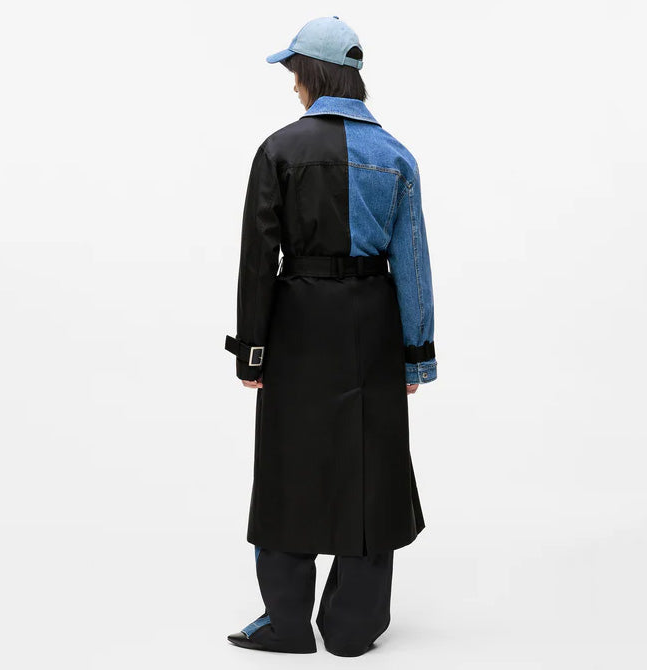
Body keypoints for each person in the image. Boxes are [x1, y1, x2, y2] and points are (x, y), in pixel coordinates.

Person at [224, 16, 438, 657]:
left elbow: (258, 260)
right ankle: (353, 627)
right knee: (370, 464)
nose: (291, 84)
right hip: (373, 322)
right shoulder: (396, 155)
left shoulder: (278, 150)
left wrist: (252, 350)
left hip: (297, 321)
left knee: (288, 465)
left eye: (293, 72)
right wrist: (415, 355)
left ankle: (286, 622)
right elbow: (413, 265)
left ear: (310, 74)